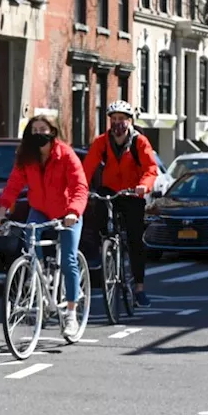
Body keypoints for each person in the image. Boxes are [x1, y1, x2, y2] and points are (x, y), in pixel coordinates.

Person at [0, 116, 89, 338]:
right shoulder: (26, 156)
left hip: (67, 213)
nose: (38, 134)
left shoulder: (66, 155)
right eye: (34, 130)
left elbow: (79, 187)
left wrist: (74, 212)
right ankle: (39, 275)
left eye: (43, 129)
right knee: (30, 238)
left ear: (53, 131)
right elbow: (14, 184)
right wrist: (1, 211)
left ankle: (71, 315)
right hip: (40, 209)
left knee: (68, 259)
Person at [81, 100, 160, 309]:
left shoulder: (139, 142)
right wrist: (82, 189)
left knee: (135, 240)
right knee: (98, 213)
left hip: (133, 192)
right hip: (110, 190)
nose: (117, 124)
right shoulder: (102, 142)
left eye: (121, 119)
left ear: (129, 121)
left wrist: (143, 186)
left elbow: (151, 169)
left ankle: (140, 288)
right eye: (113, 120)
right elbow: (87, 168)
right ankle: (107, 251)